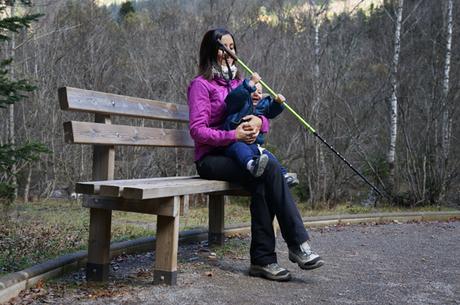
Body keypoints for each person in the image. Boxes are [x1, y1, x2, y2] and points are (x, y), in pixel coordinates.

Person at [187, 28, 324, 282]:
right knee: (269, 168)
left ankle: (264, 261)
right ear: (211, 52)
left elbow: (260, 113)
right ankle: (297, 246)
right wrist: (234, 136)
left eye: (232, 46)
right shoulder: (201, 85)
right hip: (211, 158)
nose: (229, 52)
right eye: (222, 47)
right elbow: (198, 131)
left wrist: (260, 123)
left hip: (243, 155)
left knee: (264, 175)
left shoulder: (241, 84)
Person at [222, 72, 299, 187]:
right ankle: (252, 165)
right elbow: (234, 98)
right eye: (253, 90)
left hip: (254, 145)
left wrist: (277, 103)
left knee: (267, 154)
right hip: (234, 143)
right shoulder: (239, 104)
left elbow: (270, 112)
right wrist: (250, 83)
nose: (257, 94)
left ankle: (282, 174)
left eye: (259, 92)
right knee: (241, 149)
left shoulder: (260, 108)